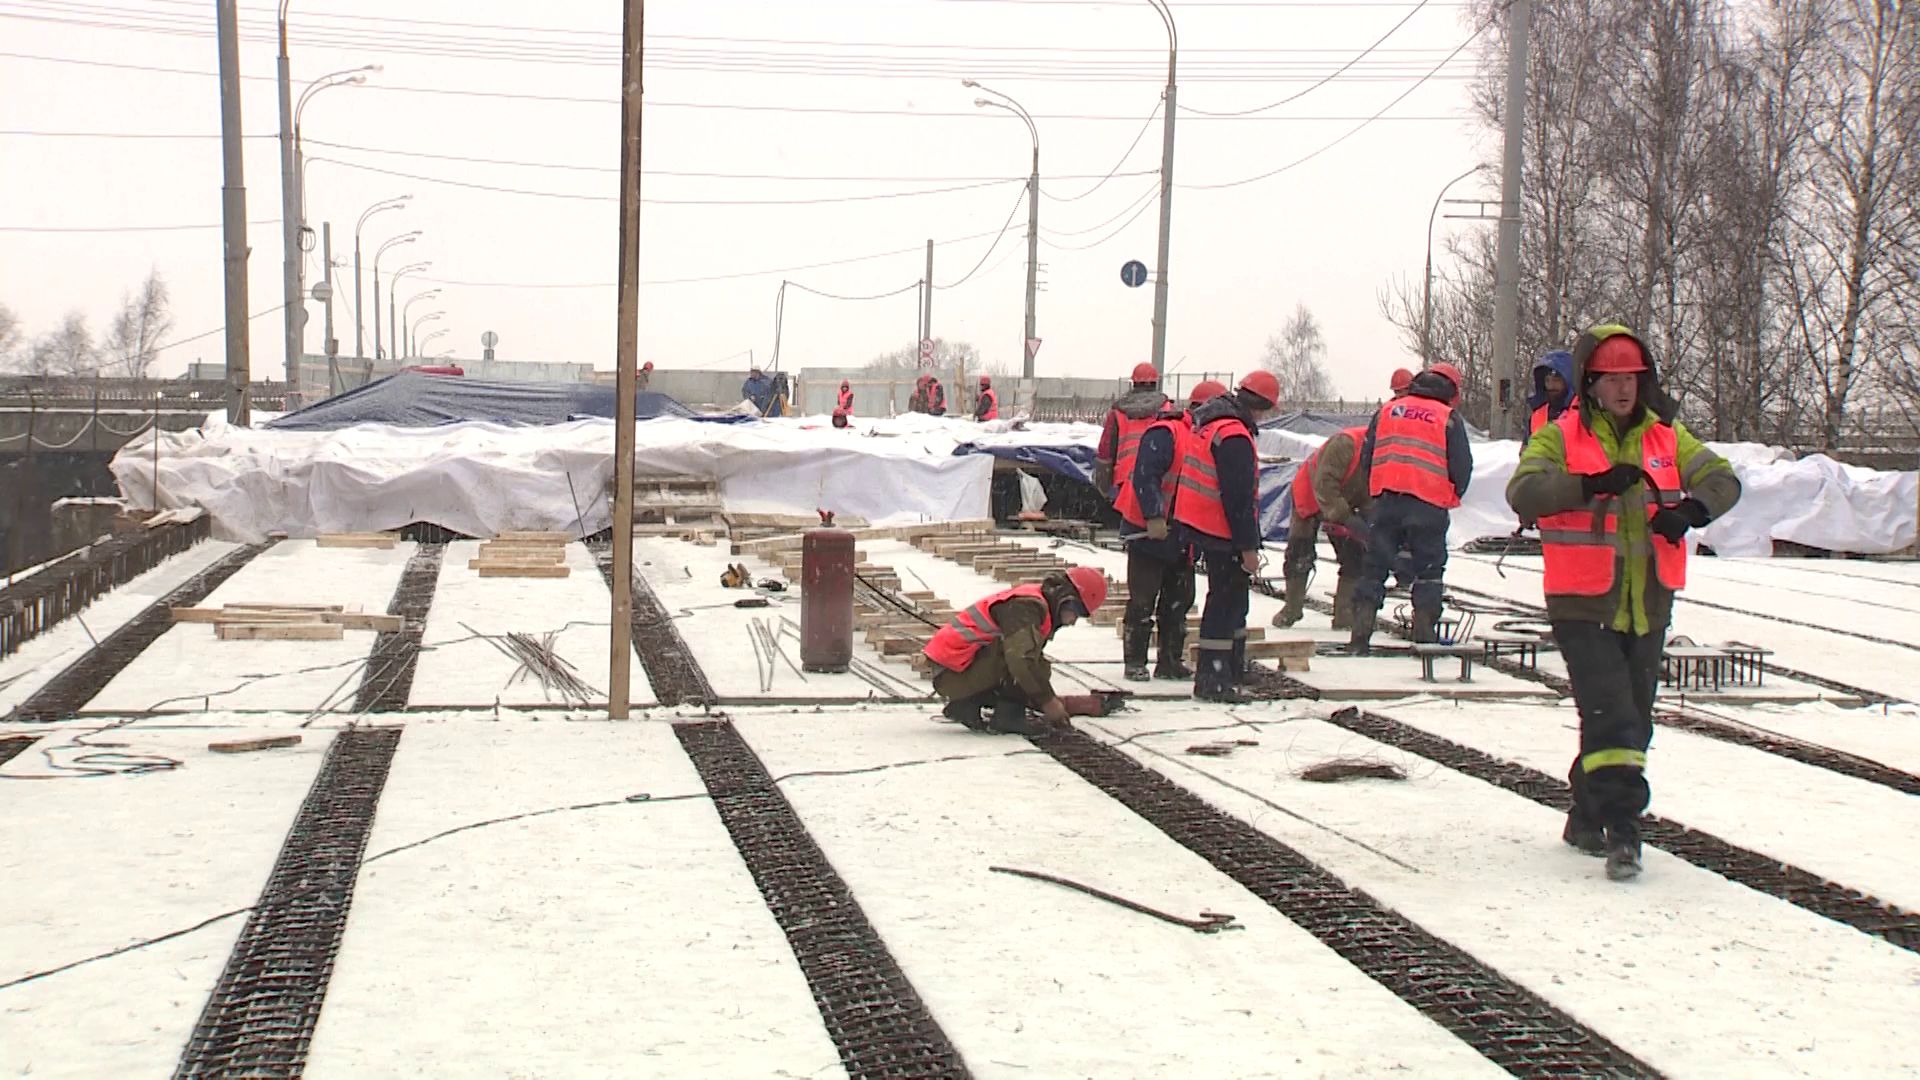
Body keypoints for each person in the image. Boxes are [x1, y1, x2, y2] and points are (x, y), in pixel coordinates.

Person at [1507, 325, 1740, 881]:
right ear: (1589, 383)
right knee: (1611, 715)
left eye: (1632, 378)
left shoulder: (1666, 436)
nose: (1624, 388)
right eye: (1611, 378)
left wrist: (1692, 511)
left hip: (1648, 603)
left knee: (1632, 721)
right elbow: (1524, 492)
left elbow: (1721, 478)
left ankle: (1587, 815)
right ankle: (1624, 829)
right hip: (1582, 603)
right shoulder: (1560, 437)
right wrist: (1589, 484)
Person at [1348, 363, 1473, 653]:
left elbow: (1367, 456)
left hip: (1387, 502)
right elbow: (1462, 466)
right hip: (1428, 504)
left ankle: (1360, 633)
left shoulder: (1388, 411)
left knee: (1374, 566)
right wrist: (1451, 495)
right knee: (1429, 570)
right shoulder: (1448, 418)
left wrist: (1378, 490)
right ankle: (1424, 632)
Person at [1173, 370, 1281, 703]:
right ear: (1261, 406)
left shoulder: (1213, 426)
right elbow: (1238, 499)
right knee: (1225, 603)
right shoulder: (1234, 436)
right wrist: (1248, 547)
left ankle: (1231, 667)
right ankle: (1214, 678)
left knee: (1232, 600)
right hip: (1221, 530)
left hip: (1205, 524)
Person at [1115, 379, 1228, 681]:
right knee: (1143, 600)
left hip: (1181, 534)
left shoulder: (1203, 438)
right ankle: (1135, 662)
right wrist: (1153, 515)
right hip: (1148, 531)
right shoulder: (1167, 432)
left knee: (1179, 600)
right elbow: (1146, 475)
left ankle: (1169, 661)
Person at [925, 567, 1110, 735]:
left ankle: (965, 704)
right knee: (1023, 659)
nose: (1073, 621)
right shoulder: (1025, 607)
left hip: (956, 670)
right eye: (1077, 612)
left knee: (1037, 667)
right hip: (952, 674)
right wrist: (1049, 702)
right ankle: (1008, 717)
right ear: (1066, 599)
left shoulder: (1037, 603)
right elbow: (1020, 660)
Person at [1273, 424, 1371, 629]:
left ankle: (1345, 615)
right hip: (1310, 493)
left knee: (1355, 554)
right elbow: (1324, 485)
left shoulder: (1387, 452)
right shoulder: (1346, 444)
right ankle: (1292, 609)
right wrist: (1346, 518)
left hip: (1348, 497)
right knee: (1300, 554)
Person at [1092, 362, 1169, 497]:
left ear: (1133, 383)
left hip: (1126, 476)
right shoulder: (1168, 409)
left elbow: (1106, 449)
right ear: (1155, 383)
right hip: (1159, 477)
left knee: (1128, 509)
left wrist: (1103, 484)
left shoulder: (1118, 411)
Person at [1526, 349, 1578, 439]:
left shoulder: (1584, 415)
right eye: (1547, 381)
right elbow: (1527, 446)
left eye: (1556, 380)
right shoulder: (1537, 416)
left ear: (1568, 381)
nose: (1551, 386)